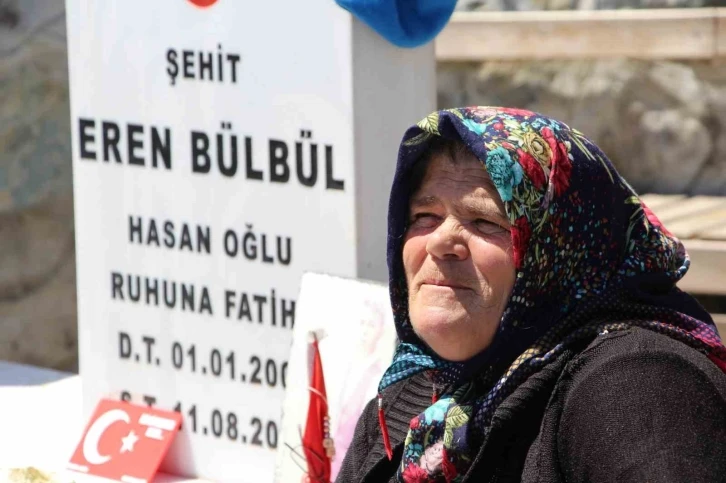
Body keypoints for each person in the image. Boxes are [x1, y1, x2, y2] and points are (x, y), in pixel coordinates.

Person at [336, 107, 726, 482]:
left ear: (558, 248)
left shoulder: (634, 384)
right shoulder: (415, 389)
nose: (440, 242)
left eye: (484, 220)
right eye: (425, 217)